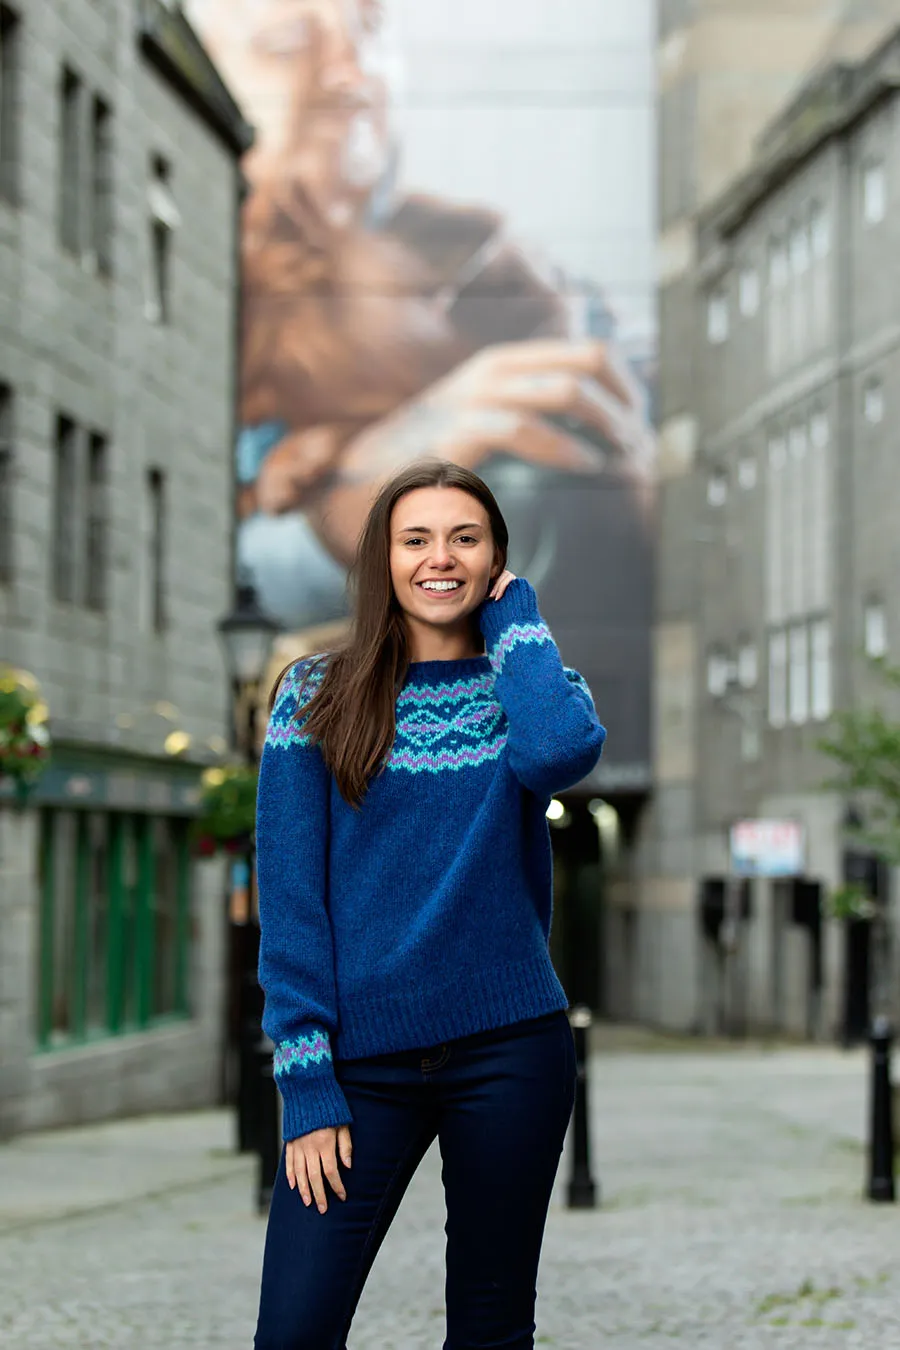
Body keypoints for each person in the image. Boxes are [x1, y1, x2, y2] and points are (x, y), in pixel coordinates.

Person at [253, 459, 606, 1348]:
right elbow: (291, 901)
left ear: (496, 560)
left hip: (510, 1054)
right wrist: (305, 1079)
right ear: (384, 559)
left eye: (465, 539)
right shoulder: (313, 696)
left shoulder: (532, 692)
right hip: (359, 1064)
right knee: (294, 1331)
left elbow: (562, 756)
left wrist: (516, 617)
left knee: (491, 1327)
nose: (438, 558)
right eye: (415, 539)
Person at [189, 0, 655, 630]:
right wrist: (344, 518)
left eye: (371, 34)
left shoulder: (500, 267)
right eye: (288, 44)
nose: (353, 73)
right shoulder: (190, 284)